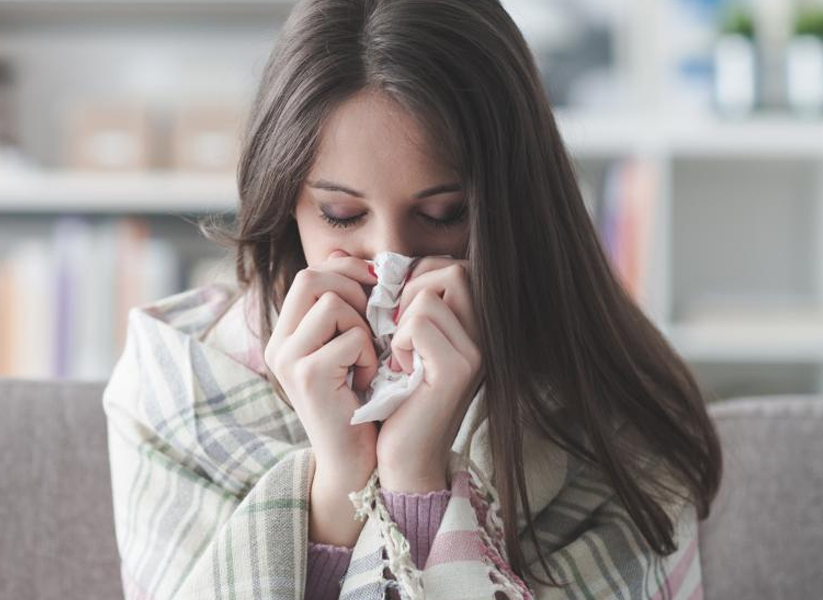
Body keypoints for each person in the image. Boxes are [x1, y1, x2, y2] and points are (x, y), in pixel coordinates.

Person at [101, 0, 723, 598]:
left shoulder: (609, 403)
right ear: (285, 200)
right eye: (341, 214)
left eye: (443, 213)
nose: (389, 260)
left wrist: (416, 477)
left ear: (514, 205)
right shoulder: (176, 387)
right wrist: (338, 481)